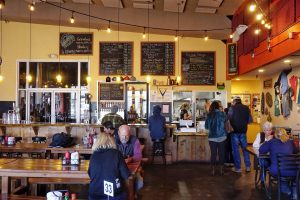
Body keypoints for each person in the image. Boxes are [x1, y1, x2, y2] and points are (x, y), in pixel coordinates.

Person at [88, 133, 130, 200]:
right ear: (112, 141)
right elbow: (126, 175)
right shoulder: (116, 153)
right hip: (113, 195)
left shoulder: (93, 156)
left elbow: (90, 174)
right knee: (126, 191)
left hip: (94, 195)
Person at [259, 128, 297, 197]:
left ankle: (286, 189)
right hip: (292, 170)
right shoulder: (291, 142)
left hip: (277, 171)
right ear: (286, 134)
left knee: (273, 168)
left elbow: (261, 150)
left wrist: (267, 140)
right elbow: (296, 152)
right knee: (289, 177)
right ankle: (293, 190)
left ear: (275, 135)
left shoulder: (272, 142)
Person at [228, 97, 252, 173]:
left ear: (234, 101)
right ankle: (248, 166)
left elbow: (228, 119)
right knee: (245, 149)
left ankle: (238, 168)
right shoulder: (246, 108)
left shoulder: (232, 108)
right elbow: (250, 120)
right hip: (243, 132)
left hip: (234, 132)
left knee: (235, 150)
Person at [205, 101, 227, 176]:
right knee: (221, 154)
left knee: (213, 154)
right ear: (218, 106)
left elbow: (206, 127)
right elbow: (226, 124)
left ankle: (213, 170)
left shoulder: (209, 115)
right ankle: (221, 170)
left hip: (212, 137)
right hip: (222, 136)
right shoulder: (223, 114)